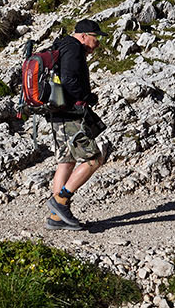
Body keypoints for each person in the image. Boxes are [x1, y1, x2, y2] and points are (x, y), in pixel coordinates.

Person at [44, 19, 110, 231]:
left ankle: (56, 218)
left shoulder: (61, 45)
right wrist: (86, 97)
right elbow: (69, 79)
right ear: (83, 36)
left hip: (57, 113)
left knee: (66, 160)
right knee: (94, 159)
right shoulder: (73, 49)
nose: (97, 43)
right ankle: (61, 200)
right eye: (95, 38)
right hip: (70, 113)